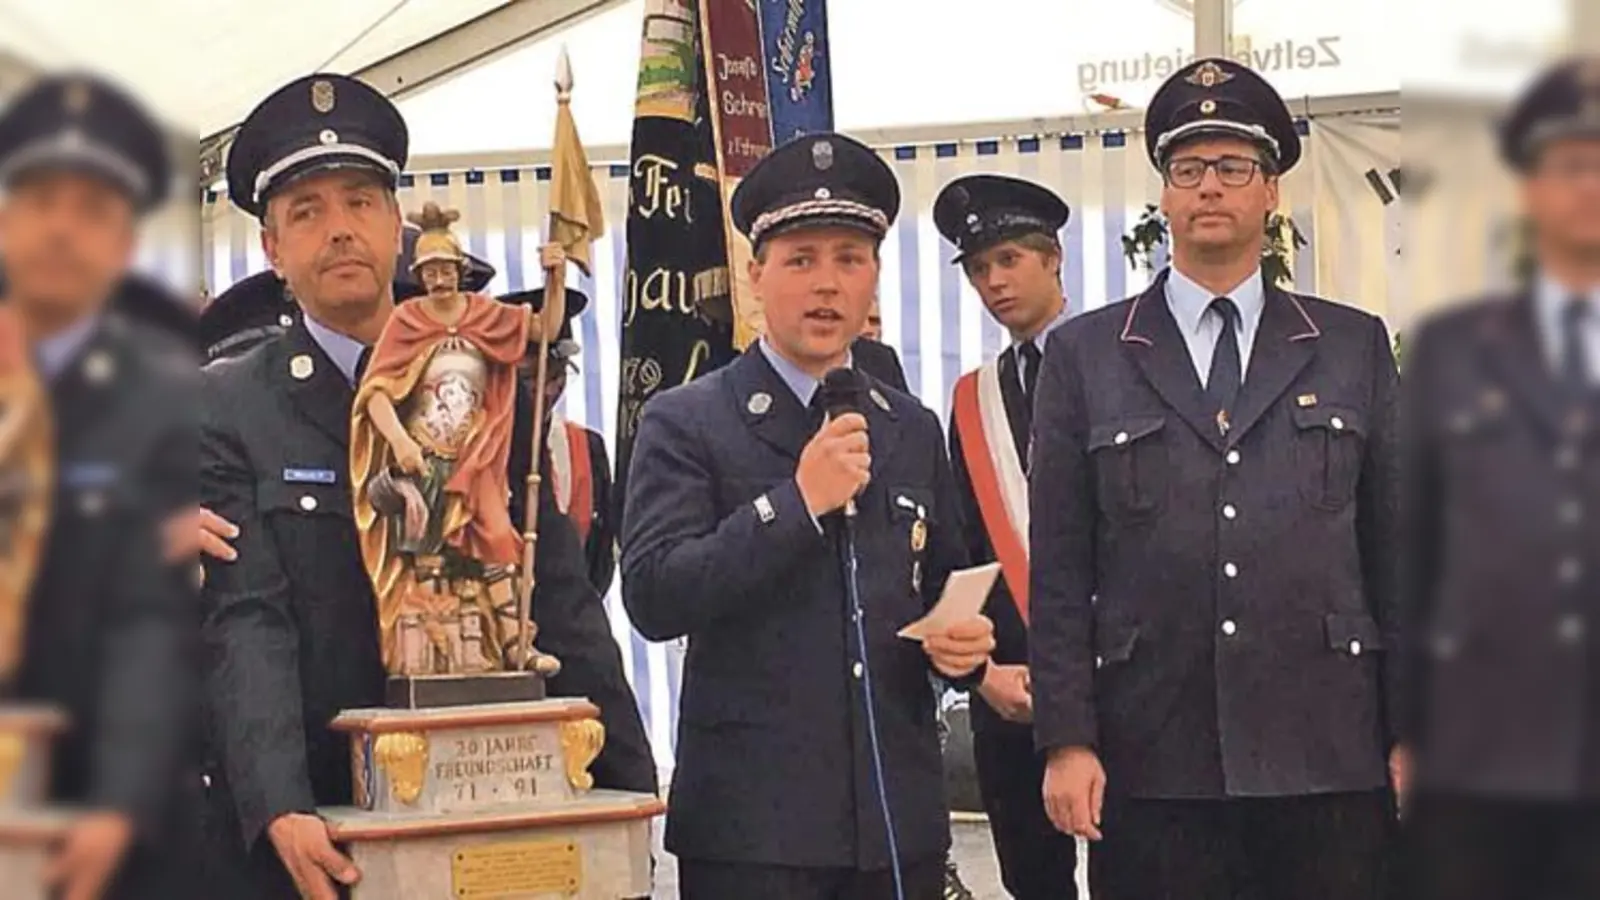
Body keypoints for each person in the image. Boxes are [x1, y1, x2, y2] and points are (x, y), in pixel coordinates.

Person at [195, 73, 653, 900]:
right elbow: (247, 618)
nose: (340, 230)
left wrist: (629, 784)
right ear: (271, 248)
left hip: (498, 804)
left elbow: (556, 593)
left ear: (396, 223)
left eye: (360, 203)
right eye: (307, 212)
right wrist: (280, 805)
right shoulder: (231, 404)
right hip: (330, 824)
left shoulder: (475, 373)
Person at [1028, 58, 1401, 900]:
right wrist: (1067, 739)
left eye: (1234, 167)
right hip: (1153, 756)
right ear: (1162, 192)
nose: (1209, 188)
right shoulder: (1086, 356)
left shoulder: (1351, 346)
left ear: (1271, 192)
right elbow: (1058, 571)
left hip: (1326, 754)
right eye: (1188, 168)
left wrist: (1411, 731)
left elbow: (1398, 555)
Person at [621, 131, 996, 900]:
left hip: (896, 825)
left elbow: (942, 583)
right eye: (801, 260)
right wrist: (795, 504)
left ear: (875, 279)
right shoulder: (688, 420)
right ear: (756, 276)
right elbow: (654, 595)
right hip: (755, 834)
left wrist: (959, 644)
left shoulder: (909, 427)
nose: (827, 284)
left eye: (849, 259)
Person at [1395, 56, 1600, 900]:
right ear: (1529, 191)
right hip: (1484, 763)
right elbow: (1411, 549)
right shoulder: (1451, 350)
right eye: (1570, 166)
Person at [0, 72, 198, 900]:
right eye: (40, 200)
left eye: (91, 210)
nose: (60, 228)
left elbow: (148, 622)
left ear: (123, 244)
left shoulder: (165, 402)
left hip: (87, 815)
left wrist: (119, 801)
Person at [933, 173, 1078, 899]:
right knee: (1032, 876)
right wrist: (984, 675)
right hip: (1012, 683)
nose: (994, 282)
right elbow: (962, 550)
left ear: (1053, 258)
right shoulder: (971, 398)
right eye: (979, 269)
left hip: (1127, 673)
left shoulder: (1123, 363)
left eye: (1010, 261)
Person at [502, 286, 617, 597]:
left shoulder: (587, 449)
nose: (547, 391)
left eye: (557, 376)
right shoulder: (482, 451)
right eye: (529, 379)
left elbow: (601, 558)